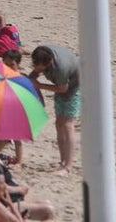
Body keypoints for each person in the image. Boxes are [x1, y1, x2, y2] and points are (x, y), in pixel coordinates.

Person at [30, 44, 80, 173]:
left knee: (68, 124)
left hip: (75, 86)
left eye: (38, 65)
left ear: (48, 63)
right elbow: (36, 71)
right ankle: (62, 162)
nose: (35, 66)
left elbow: (63, 89)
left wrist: (40, 85)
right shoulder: (42, 53)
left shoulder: (60, 68)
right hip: (62, 86)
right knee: (59, 124)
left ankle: (68, 166)